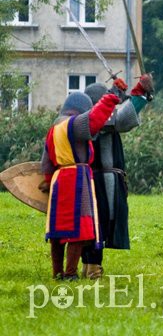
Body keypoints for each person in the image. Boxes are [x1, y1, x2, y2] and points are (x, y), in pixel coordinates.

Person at [80, 74, 154, 279]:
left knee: (94, 223)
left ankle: (88, 265)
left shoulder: (89, 120)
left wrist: (142, 93)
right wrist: (137, 93)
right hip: (98, 181)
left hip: (97, 180)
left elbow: (120, 117)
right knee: (97, 223)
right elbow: (121, 120)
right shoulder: (90, 121)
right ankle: (93, 266)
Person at [40, 90, 120, 280]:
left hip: (58, 180)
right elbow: (95, 119)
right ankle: (70, 274)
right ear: (80, 110)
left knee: (58, 231)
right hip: (76, 180)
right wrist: (111, 97)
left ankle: (57, 272)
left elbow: (46, 162)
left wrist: (48, 180)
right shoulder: (74, 124)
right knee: (79, 228)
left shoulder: (54, 130)